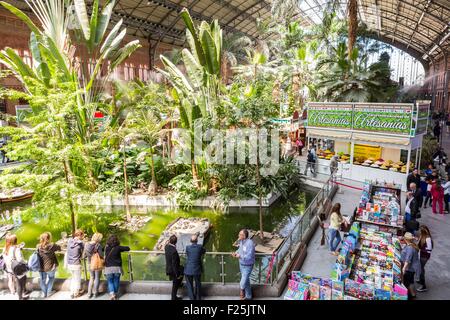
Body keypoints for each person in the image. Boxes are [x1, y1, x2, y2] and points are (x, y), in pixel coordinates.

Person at [2, 234, 30, 300]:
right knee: (19, 283)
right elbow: (20, 259)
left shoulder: (6, 248)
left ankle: (23, 293)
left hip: (10, 268)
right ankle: (21, 297)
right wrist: (26, 262)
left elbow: (5, 257)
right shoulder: (16, 249)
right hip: (16, 269)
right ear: (15, 240)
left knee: (21, 280)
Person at [104, 234, 130, 300]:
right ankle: (115, 293)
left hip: (108, 268)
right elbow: (128, 248)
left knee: (110, 281)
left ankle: (112, 294)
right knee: (116, 280)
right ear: (116, 241)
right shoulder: (118, 247)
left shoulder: (106, 248)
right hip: (117, 268)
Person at [232, 229, 255, 300]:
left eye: (240, 234)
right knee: (246, 280)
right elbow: (240, 249)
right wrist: (236, 253)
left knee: (243, 280)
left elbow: (249, 256)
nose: (238, 236)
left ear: (244, 236)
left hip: (248, 265)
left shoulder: (250, 243)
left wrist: (240, 256)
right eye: (239, 234)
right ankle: (249, 296)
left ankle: (242, 291)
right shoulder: (241, 241)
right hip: (241, 264)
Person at [37, 232, 61, 298]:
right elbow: (59, 247)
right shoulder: (52, 245)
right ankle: (48, 292)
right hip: (50, 267)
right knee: (51, 278)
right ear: (48, 238)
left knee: (42, 280)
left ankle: (44, 293)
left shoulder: (38, 246)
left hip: (41, 267)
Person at [184, 234, 206, 300]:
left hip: (188, 269)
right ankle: (198, 298)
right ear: (197, 240)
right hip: (197, 269)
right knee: (198, 284)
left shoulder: (187, 247)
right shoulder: (200, 247)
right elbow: (204, 251)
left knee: (189, 285)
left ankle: (192, 298)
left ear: (191, 241)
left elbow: (188, 254)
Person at [400, 232, 421, 300]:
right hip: (413, 267)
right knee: (410, 281)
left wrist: (403, 269)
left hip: (410, 268)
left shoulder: (410, 248)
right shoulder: (412, 244)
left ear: (406, 239)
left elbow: (408, 259)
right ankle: (413, 294)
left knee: (407, 282)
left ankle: (409, 296)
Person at [84, 232, 104, 298]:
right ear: (99, 238)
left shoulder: (86, 244)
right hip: (97, 263)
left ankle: (89, 294)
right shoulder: (98, 245)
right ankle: (95, 293)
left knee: (92, 278)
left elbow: (84, 255)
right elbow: (101, 255)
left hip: (89, 263)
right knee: (97, 278)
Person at [66, 229, 85, 299]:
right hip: (76, 263)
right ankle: (76, 293)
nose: (83, 236)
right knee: (77, 279)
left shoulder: (69, 241)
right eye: (82, 235)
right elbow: (84, 252)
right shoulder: (81, 243)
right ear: (80, 235)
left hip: (70, 263)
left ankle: (71, 292)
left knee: (73, 278)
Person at [165, 235, 183, 300]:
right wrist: (177, 274)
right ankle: (173, 298)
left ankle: (179, 283)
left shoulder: (166, 247)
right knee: (175, 285)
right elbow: (174, 264)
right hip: (173, 270)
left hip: (168, 268)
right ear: (176, 242)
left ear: (170, 241)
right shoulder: (174, 251)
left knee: (182, 268)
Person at [417, 225, 433, 293]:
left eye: (420, 231)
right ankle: (420, 280)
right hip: (421, 255)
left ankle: (423, 286)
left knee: (421, 270)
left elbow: (429, 249)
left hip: (424, 257)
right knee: (421, 268)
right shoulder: (422, 237)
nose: (419, 232)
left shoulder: (428, 238)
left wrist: (420, 249)